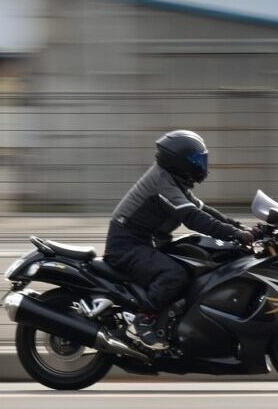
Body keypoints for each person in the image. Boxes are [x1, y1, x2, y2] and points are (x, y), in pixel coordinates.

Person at [105, 130, 254, 349]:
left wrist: (239, 227)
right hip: (126, 245)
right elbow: (193, 218)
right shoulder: (162, 183)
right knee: (173, 274)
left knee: (192, 260)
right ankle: (143, 321)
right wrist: (234, 235)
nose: (201, 164)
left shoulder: (174, 181)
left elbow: (203, 210)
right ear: (179, 161)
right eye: (196, 160)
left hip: (142, 241)